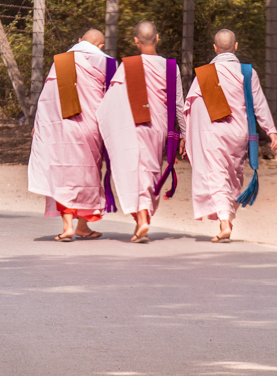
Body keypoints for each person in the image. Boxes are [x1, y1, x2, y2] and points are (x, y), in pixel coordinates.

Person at [184, 28, 277, 243]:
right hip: (238, 134)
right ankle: (226, 218)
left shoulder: (206, 73)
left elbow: (191, 107)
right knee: (233, 176)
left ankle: (225, 221)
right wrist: (271, 130)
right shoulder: (247, 72)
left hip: (213, 133)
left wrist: (189, 136)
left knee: (217, 175)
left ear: (215, 48)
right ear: (235, 47)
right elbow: (259, 104)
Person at [99, 21, 185, 243]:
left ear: (136, 41)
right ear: (157, 38)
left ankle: (141, 217)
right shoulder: (170, 66)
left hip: (131, 126)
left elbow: (111, 101)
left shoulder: (128, 66)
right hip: (157, 128)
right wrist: (183, 134)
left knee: (132, 171)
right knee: (149, 171)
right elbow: (178, 105)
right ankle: (143, 218)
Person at [26, 29, 116, 242]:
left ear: (79, 41)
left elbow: (47, 99)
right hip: (91, 128)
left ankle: (67, 227)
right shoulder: (109, 63)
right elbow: (113, 100)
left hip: (64, 128)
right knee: (88, 173)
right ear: (100, 46)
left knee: (65, 174)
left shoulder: (63, 62)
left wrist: (39, 125)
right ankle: (83, 227)